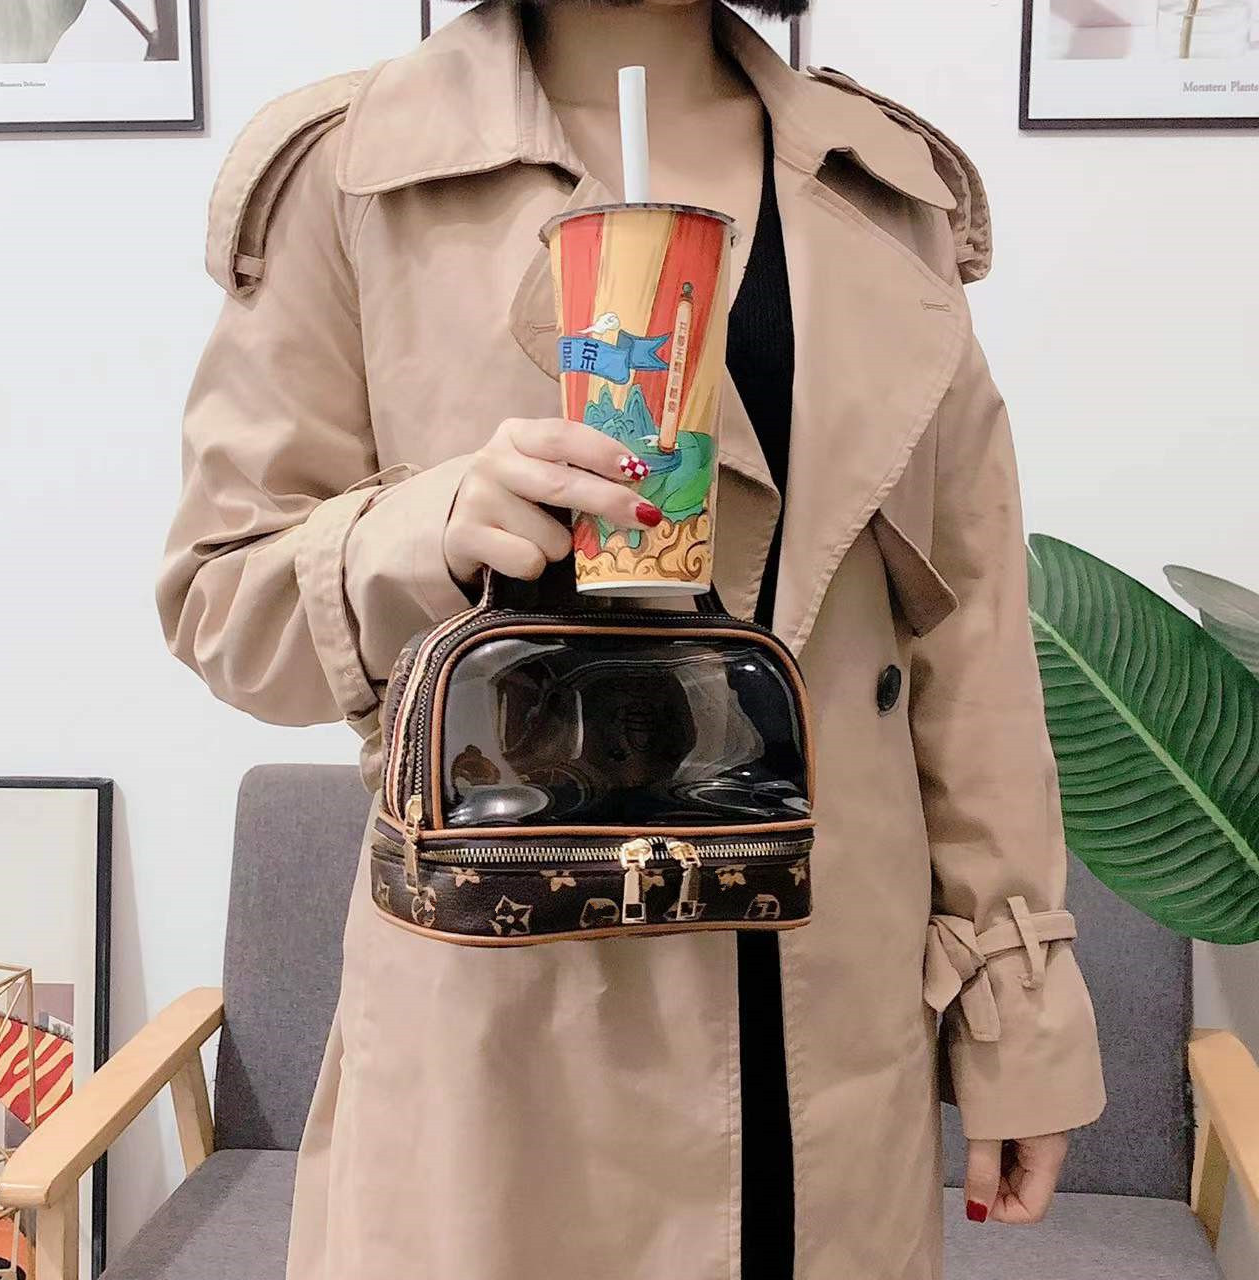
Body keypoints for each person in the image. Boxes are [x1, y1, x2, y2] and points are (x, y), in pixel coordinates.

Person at [156, 0, 1106, 1275]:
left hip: (831, 1014)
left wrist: (1014, 1009)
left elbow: (968, 645)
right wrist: (432, 526)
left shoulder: (882, 186)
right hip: (518, 1023)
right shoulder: (357, 169)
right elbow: (221, 600)